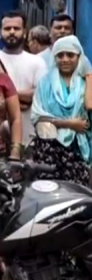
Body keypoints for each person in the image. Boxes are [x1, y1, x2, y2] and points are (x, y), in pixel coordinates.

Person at [31, 36, 92, 186]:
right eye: (60, 55)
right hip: (48, 149)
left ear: (79, 57)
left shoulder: (84, 83)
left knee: (77, 193)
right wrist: (70, 124)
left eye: (70, 55)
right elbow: (38, 117)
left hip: (77, 149)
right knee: (48, 191)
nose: (65, 60)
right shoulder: (44, 84)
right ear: (54, 57)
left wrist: (89, 75)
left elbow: (89, 106)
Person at [0, 11, 48, 144]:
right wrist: (19, 101)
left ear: (25, 32)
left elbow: (41, 94)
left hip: (29, 138)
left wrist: (9, 97)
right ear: (0, 32)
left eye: (16, 28)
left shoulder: (37, 62)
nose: (12, 32)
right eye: (7, 28)